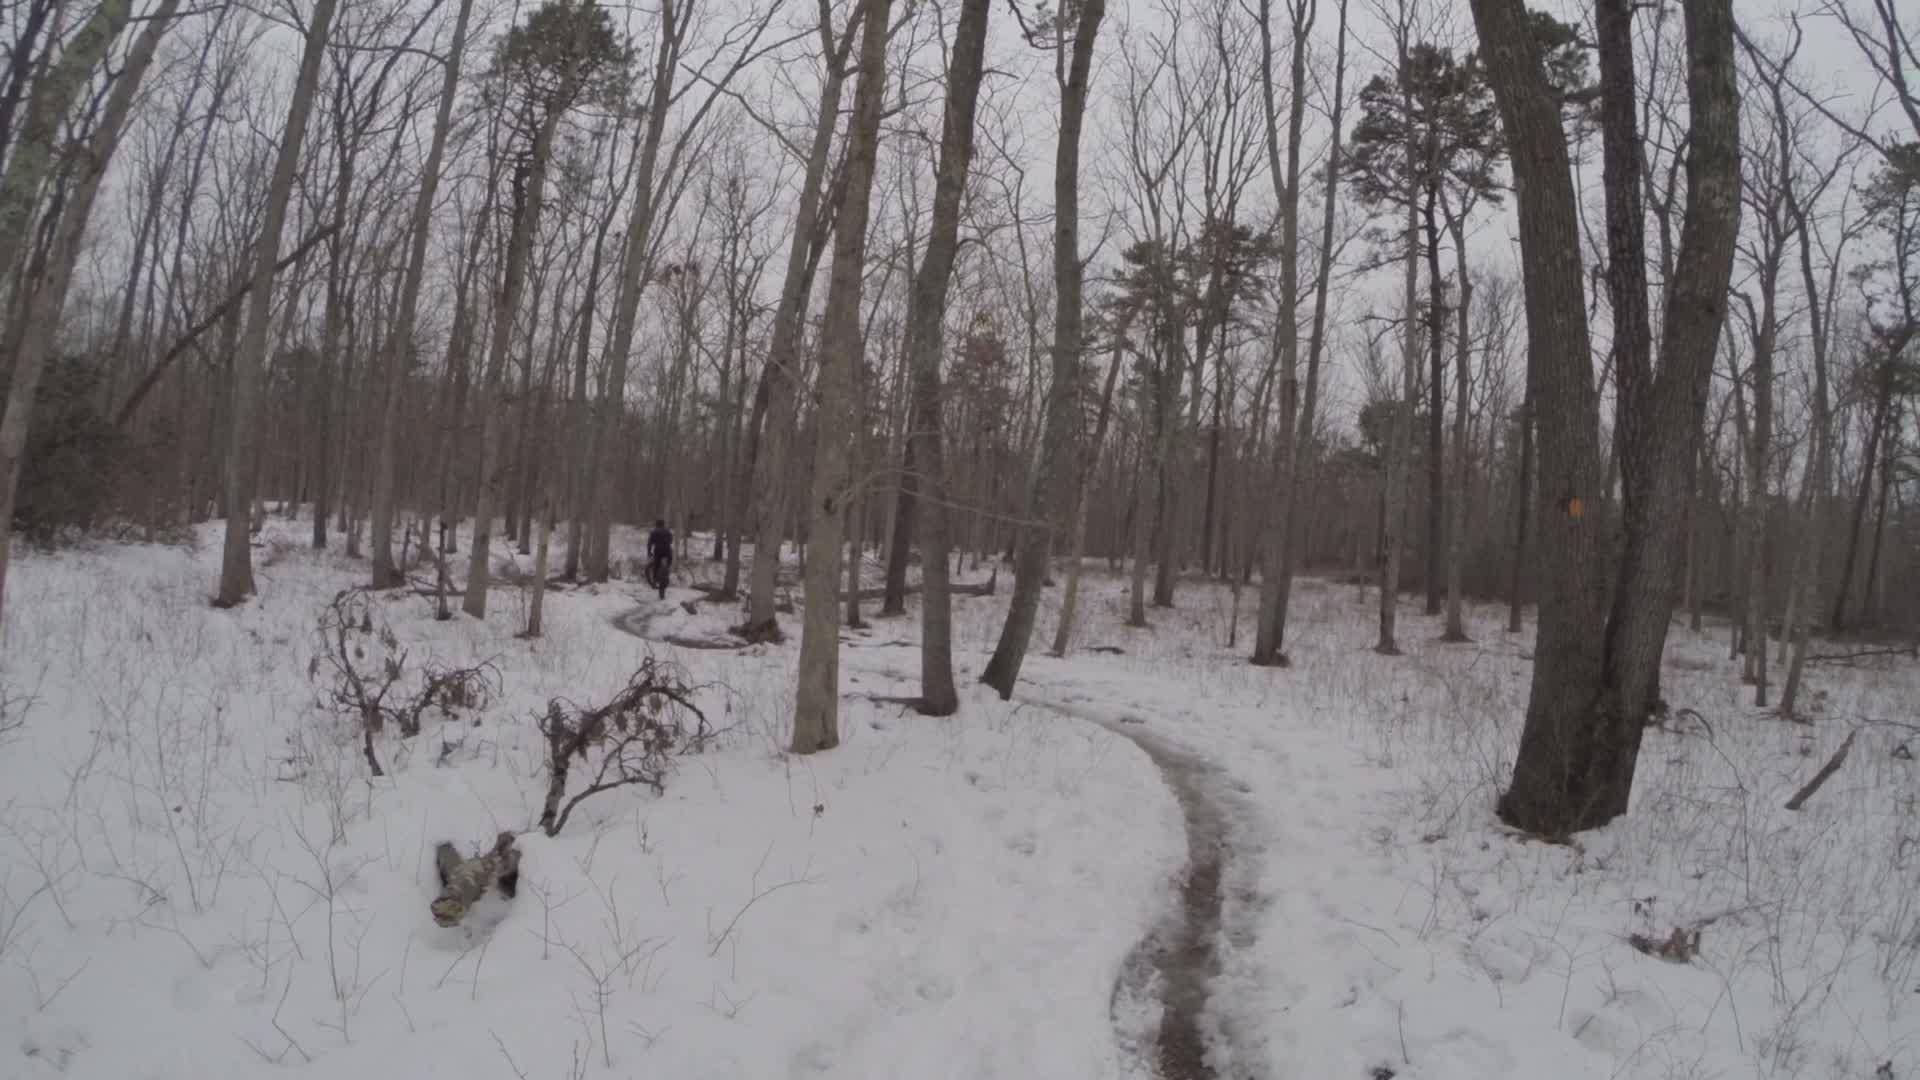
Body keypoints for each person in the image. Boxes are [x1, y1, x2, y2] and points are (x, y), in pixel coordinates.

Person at [646, 518, 674, 596]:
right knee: (668, 565)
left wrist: (649, 552)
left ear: (656, 524)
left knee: (656, 566)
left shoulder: (654, 532)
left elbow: (649, 543)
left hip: (658, 551)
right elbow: (671, 541)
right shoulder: (668, 531)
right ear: (663, 524)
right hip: (667, 551)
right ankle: (666, 575)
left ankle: (655, 580)